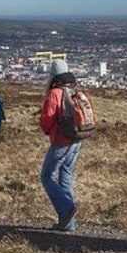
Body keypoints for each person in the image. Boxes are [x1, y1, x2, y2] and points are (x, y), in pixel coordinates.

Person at [39, 58, 82, 232]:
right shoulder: (74, 88)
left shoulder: (55, 92)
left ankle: (67, 209)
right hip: (77, 139)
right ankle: (68, 223)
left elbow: (47, 120)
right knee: (65, 176)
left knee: (46, 176)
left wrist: (48, 130)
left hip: (61, 141)